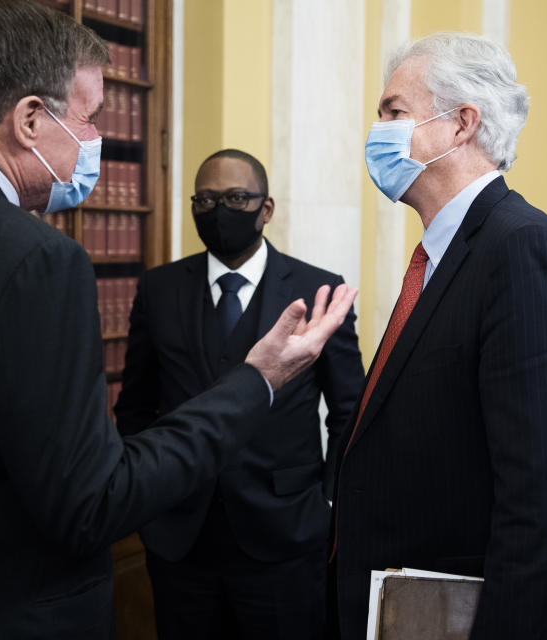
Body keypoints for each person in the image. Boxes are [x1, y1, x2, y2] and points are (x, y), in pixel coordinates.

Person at [0, 1, 357, 638]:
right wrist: (258, 379)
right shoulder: (34, 259)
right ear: (28, 119)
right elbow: (91, 502)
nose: (95, 140)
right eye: (89, 118)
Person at [328, 32, 547, 640]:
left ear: (461, 124)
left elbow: (539, 496)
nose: (377, 129)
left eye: (394, 112)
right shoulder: (446, 252)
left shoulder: (520, 247)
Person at [114, 148, 364, 640]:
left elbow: (349, 411)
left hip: (285, 537)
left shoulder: (318, 289)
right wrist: (146, 499)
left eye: (234, 198)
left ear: (264, 209)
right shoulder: (158, 289)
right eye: (204, 200)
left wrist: (329, 504)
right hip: (180, 538)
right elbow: (135, 406)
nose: (218, 211)